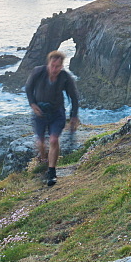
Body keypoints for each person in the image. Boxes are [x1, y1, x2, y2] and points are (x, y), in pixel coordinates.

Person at [25, 50, 80, 186]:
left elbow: (74, 97)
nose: (55, 69)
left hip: (57, 113)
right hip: (40, 114)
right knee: (41, 143)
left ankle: (51, 172)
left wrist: (73, 116)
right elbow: (28, 88)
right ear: (48, 63)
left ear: (61, 66)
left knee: (54, 140)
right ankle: (43, 160)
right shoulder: (38, 72)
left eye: (58, 66)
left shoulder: (65, 77)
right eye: (52, 66)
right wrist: (32, 104)